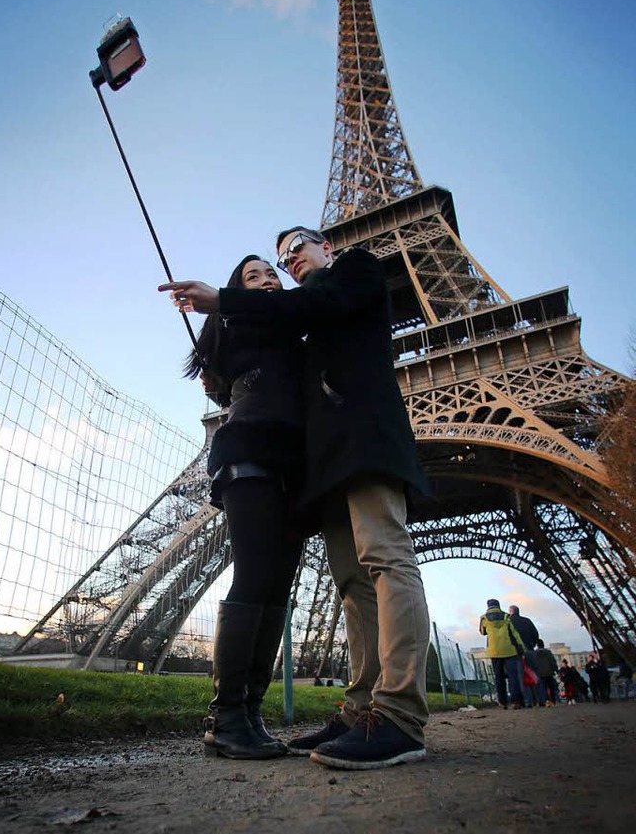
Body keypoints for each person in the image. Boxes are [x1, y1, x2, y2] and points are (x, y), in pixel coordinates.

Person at [159, 228, 430, 770]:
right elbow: (224, 363)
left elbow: (317, 307)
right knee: (336, 583)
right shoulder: (265, 324)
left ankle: (390, 713)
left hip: (337, 452)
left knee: (354, 568)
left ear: (326, 246)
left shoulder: (349, 273)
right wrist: (224, 311)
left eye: (291, 253)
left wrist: (233, 298)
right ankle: (245, 713)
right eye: (269, 263)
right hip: (282, 461)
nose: (285, 262)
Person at [165, 255, 306, 760]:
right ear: (235, 292)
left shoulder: (296, 322)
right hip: (249, 447)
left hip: (296, 462)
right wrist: (222, 310)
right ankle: (225, 715)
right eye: (253, 276)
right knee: (254, 573)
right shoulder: (245, 321)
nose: (268, 279)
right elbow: (226, 359)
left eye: (273, 273)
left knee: (279, 584)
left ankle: (250, 712)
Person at [479, 599, 525, 709]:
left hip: (494, 651)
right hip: (509, 649)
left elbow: (482, 632)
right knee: (513, 677)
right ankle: (516, 701)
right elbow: (514, 633)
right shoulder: (506, 616)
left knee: (499, 677)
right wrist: (521, 646)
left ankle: (502, 701)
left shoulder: (484, 618)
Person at [508, 605, 540, 708]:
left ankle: (527, 701)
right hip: (530, 650)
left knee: (521, 677)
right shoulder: (527, 621)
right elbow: (536, 635)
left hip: (516, 652)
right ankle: (540, 699)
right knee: (534, 675)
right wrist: (531, 644)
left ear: (511, 612)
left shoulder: (508, 621)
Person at [535, 639, 559, 705]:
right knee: (551, 687)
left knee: (542, 688)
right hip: (549, 672)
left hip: (540, 673)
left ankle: (546, 700)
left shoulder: (535, 653)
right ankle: (553, 700)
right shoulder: (548, 652)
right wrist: (556, 670)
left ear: (537, 645)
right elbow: (553, 662)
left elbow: (534, 664)